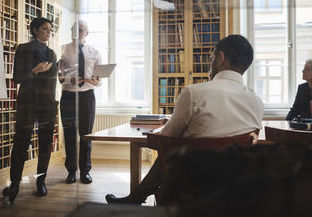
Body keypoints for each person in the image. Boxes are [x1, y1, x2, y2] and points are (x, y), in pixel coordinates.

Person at [105, 34, 264, 205]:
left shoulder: (194, 93)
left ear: (220, 58)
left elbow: (167, 137)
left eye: (211, 57)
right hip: (231, 181)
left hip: (189, 180)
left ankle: (136, 197)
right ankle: (136, 197)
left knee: (172, 150)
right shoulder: (257, 102)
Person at [2, 17, 58, 204]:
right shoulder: (23, 49)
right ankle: (15, 184)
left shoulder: (52, 54)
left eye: (50, 29)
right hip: (27, 103)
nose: (49, 32)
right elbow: (17, 78)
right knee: (20, 145)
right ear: (35, 30)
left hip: (47, 105)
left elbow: (52, 83)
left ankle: (41, 182)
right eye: (45, 29)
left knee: (44, 146)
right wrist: (35, 70)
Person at [58, 21, 101, 184]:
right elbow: (60, 76)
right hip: (69, 96)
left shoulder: (95, 51)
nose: (77, 32)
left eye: (81, 30)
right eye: (74, 29)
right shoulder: (63, 49)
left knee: (86, 135)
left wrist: (96, 81)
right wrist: (71, 78)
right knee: (69, 135)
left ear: (87, 33)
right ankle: (71, 172)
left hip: (87, 96)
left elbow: (99, 78)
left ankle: (85, 171)